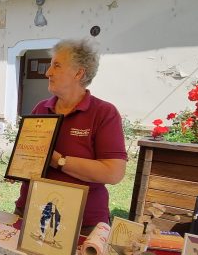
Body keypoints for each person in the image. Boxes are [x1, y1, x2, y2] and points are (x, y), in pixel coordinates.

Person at [15, 39, 127, 234]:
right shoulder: (41, 108)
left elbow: (113, 172)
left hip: (81, 222)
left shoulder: (104, 112)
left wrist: (58, 161)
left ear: (79, 73)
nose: (48, 72)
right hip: (31, 210)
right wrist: (20, 165)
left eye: (56, 65)